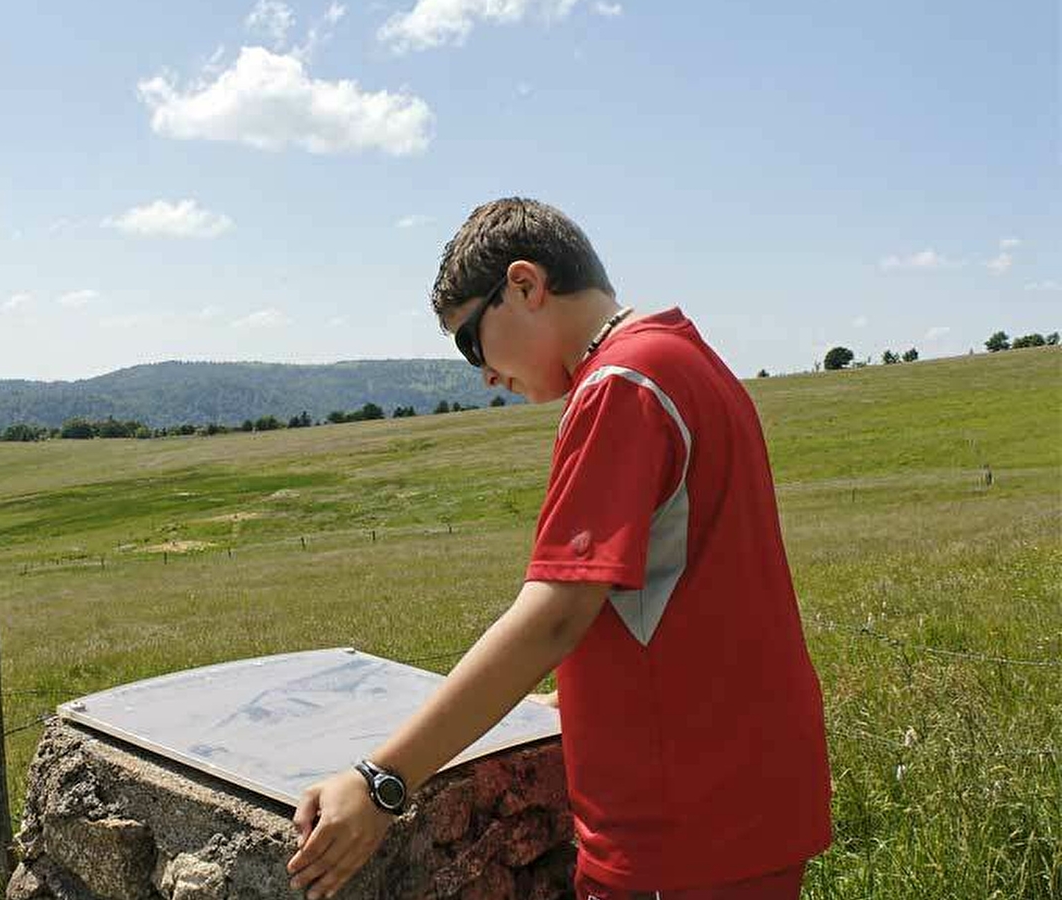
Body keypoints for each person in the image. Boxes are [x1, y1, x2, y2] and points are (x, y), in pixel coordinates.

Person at [285, 198, 832, 899]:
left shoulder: (621, 386)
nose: (482, 373)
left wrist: (382, 781)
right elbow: (684, 586)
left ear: (524, 285)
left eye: (470, 341)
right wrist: (579, 698)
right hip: (737, 797)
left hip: (677, 829)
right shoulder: (680, 355)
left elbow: (553, 616)